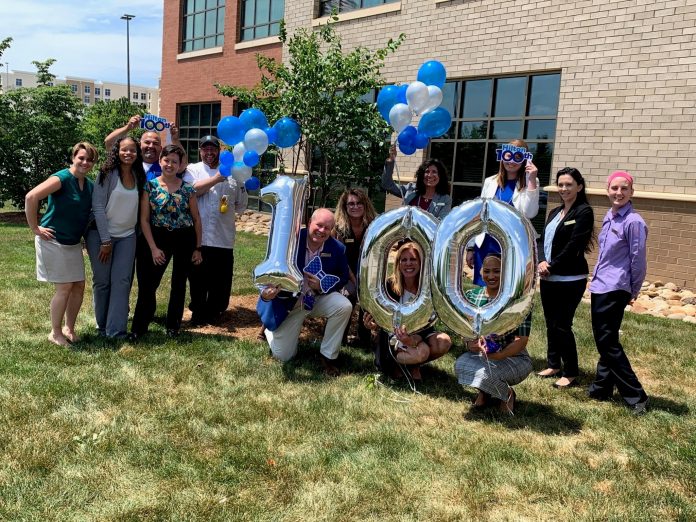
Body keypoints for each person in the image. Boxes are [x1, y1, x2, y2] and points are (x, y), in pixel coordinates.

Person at [257, 208, 352, 376]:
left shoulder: (337, 249)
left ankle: (328, 356)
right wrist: (265, 293)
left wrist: (321, 286)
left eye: (327, 228)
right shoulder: (289, 241)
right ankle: (270, 330)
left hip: (316, 299)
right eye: (319, 225)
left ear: (332, 230)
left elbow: (343, 277)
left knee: (343, 305)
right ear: (310, 223)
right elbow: (269, 269)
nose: (322, 231)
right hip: (291, 303)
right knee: (283, 356)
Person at [587, 171, 649, 415]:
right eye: (614, 188)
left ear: (631, 192)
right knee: (606, 339)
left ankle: (636, 396)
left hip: (616, 287)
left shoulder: (634, 222)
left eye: (624, 189)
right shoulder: (610, 216)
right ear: (607, 189)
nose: (619, 193)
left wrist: (633, 289)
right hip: (601, 285)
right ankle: (601, 388)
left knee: (607, 342)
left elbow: (638, 260)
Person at [25, 142, 98, 346]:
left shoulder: (90, 185)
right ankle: (55, 333)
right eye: (81, 157)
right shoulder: (62, 178)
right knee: (64, 287)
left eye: (90, 159)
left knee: (79, 286)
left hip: (73, 243)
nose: (85, 162)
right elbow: (31, 197)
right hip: (52, 240)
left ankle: (69, 328)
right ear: (73, 157)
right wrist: (35, 228)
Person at [130, 145, 203, 339]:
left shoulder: (188, 189)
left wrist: (198, 248)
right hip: (157, 237)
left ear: (180, 165)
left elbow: (196, 219)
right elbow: (144, 219)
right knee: (148, 284)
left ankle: (173, 326)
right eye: (167, 160)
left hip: (184, 238)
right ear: (160, 161)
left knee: (178, 284)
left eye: (174, 161)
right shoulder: (150, 186)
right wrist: (153, 248)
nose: (170, 165)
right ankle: (139, 328)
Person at [537, 168, 595, 388]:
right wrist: (542, 261)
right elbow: (542, 240)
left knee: (562, 324)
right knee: (551, 323)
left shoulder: (584, 212)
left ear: (579, 187)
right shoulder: (554, 212)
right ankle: (553, 364)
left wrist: (551, 265)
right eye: (560, 184)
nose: (564, 189)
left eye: (568, 184)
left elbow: (575, 245)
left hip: (570, 279)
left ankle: (570, 371)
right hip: (548, 277)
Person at [454, 254, 533, 414]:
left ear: (505, 273)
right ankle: (485, 392)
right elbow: (465, 331)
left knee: (484, 374)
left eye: (497, 271)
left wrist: (499, 355)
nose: (491, 276)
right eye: (487, 271)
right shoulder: (472, 297)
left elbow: (521, 340)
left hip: (514, 356)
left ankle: (507, 394)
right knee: (460, 366)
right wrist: (470, 343)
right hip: (481, 354)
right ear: (481, 272)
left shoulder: (518, 301)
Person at [363, 241, 452, 382]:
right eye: (404, 260)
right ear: (398, 263)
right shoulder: (388, 286)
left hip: (420, 333)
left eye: (413, 259)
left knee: (444, 341)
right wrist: (373, 325)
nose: (408, 263)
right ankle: (397, 365)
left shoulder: (427, 287)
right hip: (393, 337)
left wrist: (414, 339)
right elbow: (380, 317)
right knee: (422, 352)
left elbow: (430, 320)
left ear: (421, 262)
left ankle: (411, 366)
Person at [185, 135, 248, 325]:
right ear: (200, 151)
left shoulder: (233, 173)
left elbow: (241, 205)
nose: (209, 152)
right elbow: (191, 191)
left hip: (223, 237)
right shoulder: (192, 170)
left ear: (219, 150)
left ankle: (215, 311)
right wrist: (217, 178)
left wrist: (242, 182)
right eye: (206, 149)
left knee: (220, 280)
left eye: (213, 148)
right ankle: (198, 311)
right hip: (199, 238)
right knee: (197, 278)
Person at [86, 137, 146, 338]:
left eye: (133, 150)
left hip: (128, 236)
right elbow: (98, 207)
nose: (128, 153)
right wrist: (105, 240)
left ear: (137, 153)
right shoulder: (107, 173)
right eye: (124, 150)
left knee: (122, 281)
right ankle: (102, 326)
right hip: (101, 235)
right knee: (102, 281)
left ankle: (116, 331)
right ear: (117, 151)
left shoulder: (139, 174)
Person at [466, 139, 539, 286]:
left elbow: (530, 213)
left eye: (517, 156)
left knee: (508, 287)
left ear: (525, 159)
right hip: (487, 243)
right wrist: (471, 246)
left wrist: (531, 179)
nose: (511, 161)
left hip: (512, 245)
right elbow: (480, 215)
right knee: (484, 288)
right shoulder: (490, 181)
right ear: (502, 156)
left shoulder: (531, 182)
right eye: (508, 155)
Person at [333, 188, 377, 346]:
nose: (355, 206)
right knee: (348, 295)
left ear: (365, 205)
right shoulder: (339, 229)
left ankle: (364, 338)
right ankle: (340, 338)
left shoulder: (373, 226)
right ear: (345, 207)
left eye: (359, 203)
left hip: (367, 272)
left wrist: (365, 281)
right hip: (344, 272)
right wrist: (355, 281)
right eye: (350, 204)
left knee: (368, 298)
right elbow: (342, 261)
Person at [104, 114, 186, 180]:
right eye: (147, 142)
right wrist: (127, 128)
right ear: (139, 145)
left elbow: (183, 163)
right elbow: (109, 142)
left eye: (155, 143)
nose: (151, 146)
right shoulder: (129, 161)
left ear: (161, 148)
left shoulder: (165, 166)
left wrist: (175, 140)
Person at [382, 145, 452, 219]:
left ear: (440, 176)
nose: (430, 175)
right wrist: (391, 160)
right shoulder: (410, 189)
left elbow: (442, 223)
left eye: (434, 172)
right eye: (427, 171)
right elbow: (387, 184)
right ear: (422, 174)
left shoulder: (445, 199)